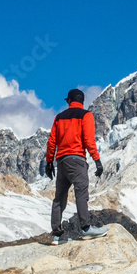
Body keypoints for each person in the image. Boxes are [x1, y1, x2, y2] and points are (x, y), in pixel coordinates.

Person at [45, 88, 107, 245]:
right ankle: (86, 229)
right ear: (82, 100)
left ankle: (56, 236)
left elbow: (52, 141)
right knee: (81, 193)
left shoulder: (58, 118)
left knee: (59, 198)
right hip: (77, 160)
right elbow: (88, 140)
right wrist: (97, 160)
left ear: (69, 101)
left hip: (62, 162)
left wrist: (49, 162)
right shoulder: (86, 115)